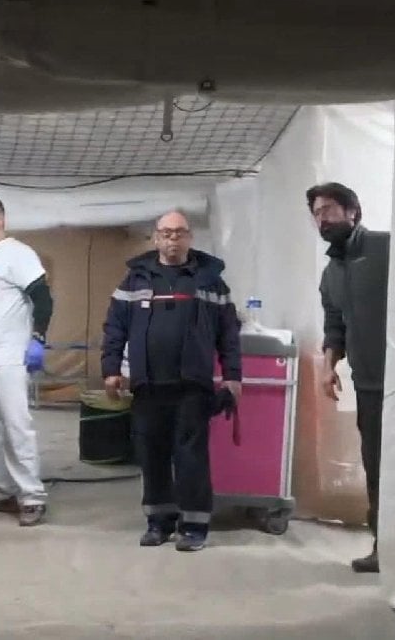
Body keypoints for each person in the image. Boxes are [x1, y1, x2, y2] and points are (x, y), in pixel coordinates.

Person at [101, 210, 242, 552]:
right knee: (152, 455)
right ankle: (158, 522)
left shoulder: (210, 282)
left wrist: (233, 376)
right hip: (147, 385)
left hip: (192, 386)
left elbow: (228, 333)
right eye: (166, 233)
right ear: (156, 238)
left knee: (191, 457)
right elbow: (115, 327)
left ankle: (194, 526)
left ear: (190, 237)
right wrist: (110, 369)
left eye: (179, 233)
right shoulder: (134, 281)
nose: (172, 239)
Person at [308, 182, 390, 574]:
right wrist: (328, 367)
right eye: (316, 213)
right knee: (376, 467)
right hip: (369, 385)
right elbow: (334, 326)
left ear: (352, 211)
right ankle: (383, 547)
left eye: (328, 209)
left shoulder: (386, 248)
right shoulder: (331, 274)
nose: (322, 219)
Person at [0, 194, 54, 527]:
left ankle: (31, 496)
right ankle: (0, 489)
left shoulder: (18, 254)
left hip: (10, 355)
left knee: (16, 425)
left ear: (0, 217)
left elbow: (43, 298)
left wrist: (38, 338)